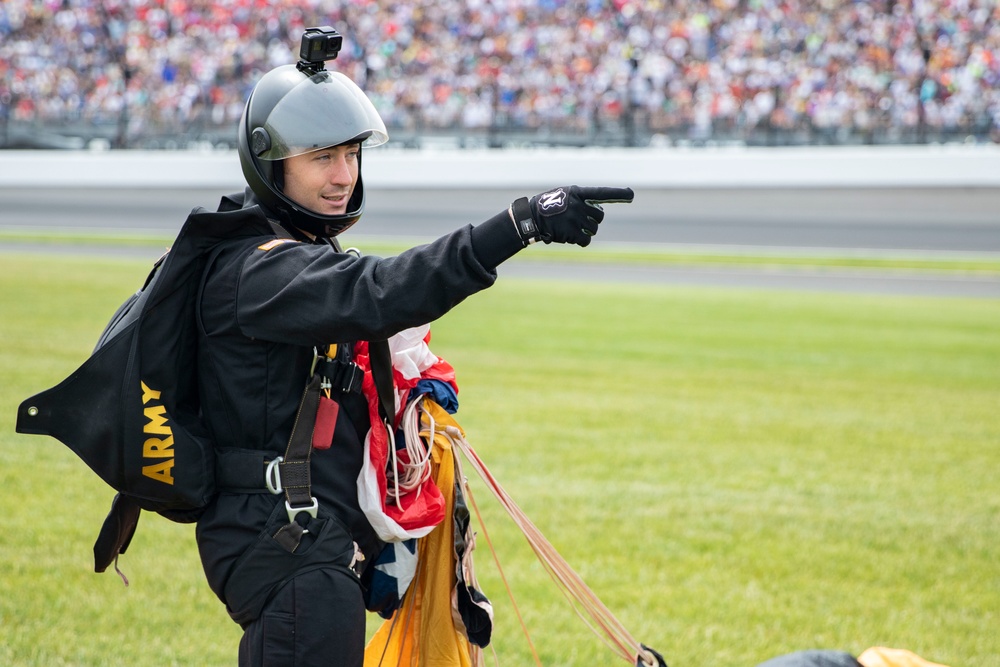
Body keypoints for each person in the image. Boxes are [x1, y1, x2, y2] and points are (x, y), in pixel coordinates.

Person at [190, 29, 634, 667]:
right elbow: (381, 292)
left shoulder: (298, 257)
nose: (344, 176)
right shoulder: (258, 272)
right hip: (287, 551)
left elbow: (328, 420)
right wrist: (519, 225)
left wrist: (373, 539)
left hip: (309, 543)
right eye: (322, 158)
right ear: (271, 162)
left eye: (351, 155)